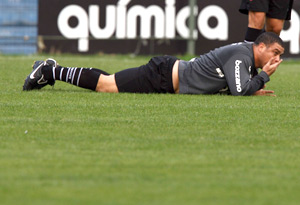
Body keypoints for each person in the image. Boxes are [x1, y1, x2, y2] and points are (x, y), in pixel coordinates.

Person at [23, 32, 284, 96]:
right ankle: (49, 70)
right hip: (161, 75)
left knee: (109, 81)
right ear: (260, 46)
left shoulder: (245, 57)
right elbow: (240, 91)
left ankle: (52, 69)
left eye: (280, 56)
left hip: (167, 76)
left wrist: (254, 83)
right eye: (274, 52)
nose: (276, 59)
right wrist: (263, 77)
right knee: (106, 85)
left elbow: (235, 85)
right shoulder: (242, 54)